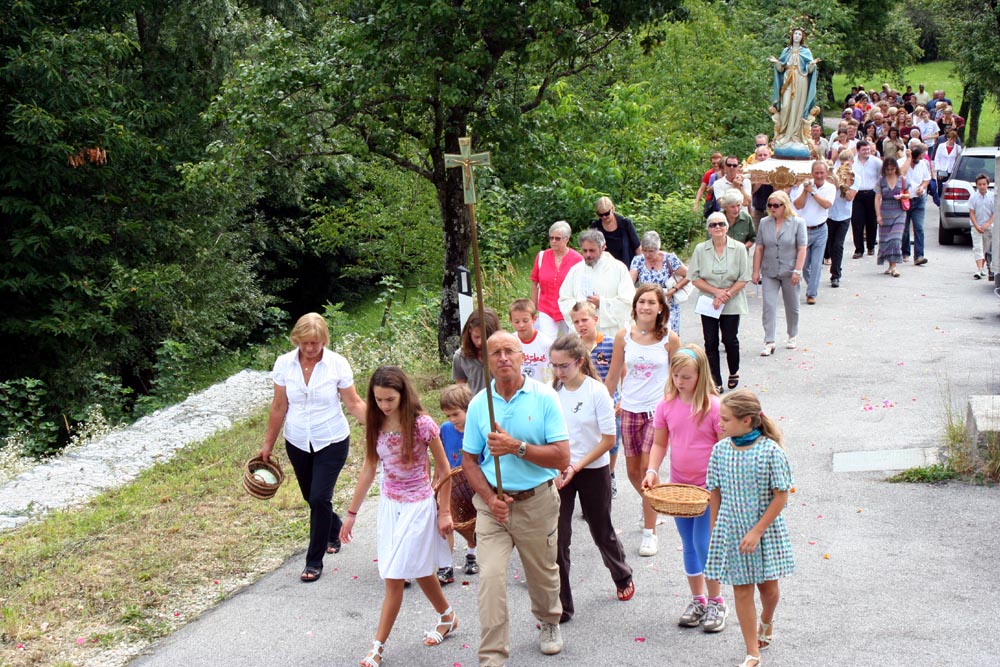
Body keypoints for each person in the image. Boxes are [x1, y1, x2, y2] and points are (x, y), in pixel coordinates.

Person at [461, 331, 570, 665]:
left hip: (536, 502)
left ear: (523, 356)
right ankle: (492, 655)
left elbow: (562, 457)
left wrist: (516, 447)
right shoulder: (479, 404)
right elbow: (469, 460)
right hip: (493, 507)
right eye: (495, 353)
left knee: (542, 574)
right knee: (490, 578)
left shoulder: (544, 397)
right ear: (486, 361)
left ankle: (549, 621)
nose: (504, 358)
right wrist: (488, 497)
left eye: (510, 351)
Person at [340, 366, 456, 667]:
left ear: (403, 395)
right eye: (378, 399)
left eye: (390, 399)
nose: (384, 405)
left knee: (394, 577)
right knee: (419, 569)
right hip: (390, 505)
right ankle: (447, 616)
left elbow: (444, 469)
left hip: (418, 505)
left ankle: (377, 648)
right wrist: (351, 514)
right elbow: (369, 468)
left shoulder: (422, 424)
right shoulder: (375, 422)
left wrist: (444, 511)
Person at [259, 312, 367, 583]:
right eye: (304, 342)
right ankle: (334, 527)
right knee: (311, 497)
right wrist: (268, 445)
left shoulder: (337, 364)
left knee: (320, 497)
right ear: (296, 339)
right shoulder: (284, 364)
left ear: (324, 340)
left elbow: (353, 403)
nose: (309, 348)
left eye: (315, 343)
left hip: (331, 439)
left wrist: (383, 426)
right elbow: (279, 406)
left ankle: (314, 560)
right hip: (297, 441)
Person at [705, 389, 795, 667]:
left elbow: (781, 495)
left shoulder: (770, 451)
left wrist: (757, 531)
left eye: (726, 419)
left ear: (747, 421)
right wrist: (715, 529)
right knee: (741, 590)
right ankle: (752, 651)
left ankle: (766, 619)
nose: (720, 424)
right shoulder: (720, 450)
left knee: (768, 590)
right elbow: (715, 492)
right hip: (731, 529)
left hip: (764, 531)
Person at [642, 346, 729, 633]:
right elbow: (659, 443)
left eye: (687, 377)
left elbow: (724, 447)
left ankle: (717, 601)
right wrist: (652, 470)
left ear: (701, 375)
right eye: (676, 375)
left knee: (704, 544)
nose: (680, 381)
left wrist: (721, 485)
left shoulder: (713, 407)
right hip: (680, 488)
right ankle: (698, 599)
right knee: (689, 543)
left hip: (708, 489)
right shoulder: (666, 406)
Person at [550, 333, 634, 622]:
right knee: (558, 537)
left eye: (564, 365)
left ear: (579, 362)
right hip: (561, 470)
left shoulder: (597, 392)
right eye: (554, 366)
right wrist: (558, 466)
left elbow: (608, 439)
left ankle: (621, 574)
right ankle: (561, 604)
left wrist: (577, 465)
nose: (559, 371)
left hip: (593, 468)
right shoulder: (552, 392)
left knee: (601, 528)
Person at [604, 284, 680, 557]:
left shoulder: (670, 339)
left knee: (649, 470)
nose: (646, 307)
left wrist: (679, 406)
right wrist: (602, 404)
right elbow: (613, 374)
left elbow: (678, 376)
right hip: (629, 409)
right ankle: (650, 504)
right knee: (633, 473)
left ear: (660, 308)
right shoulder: (624, 336)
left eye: (651, 302)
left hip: (656, 412)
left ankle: (650, 533)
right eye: (641, 302)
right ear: (635, 306)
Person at [688, 212, 751, 392]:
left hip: (732, 299)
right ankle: (715, 379)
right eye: (713, 225)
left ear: (727, 227)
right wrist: (716, 292)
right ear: (708, 229)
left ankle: (734, 371)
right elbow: (694, 277)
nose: (717, 227)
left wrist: (725, 295)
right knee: (710, 341)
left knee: (730, 339)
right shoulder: (701, 249)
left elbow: (744, 277)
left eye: (721, 224)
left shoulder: (739, 248)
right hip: (708, 300)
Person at [570, 301, 622, 498]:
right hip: (584, 402)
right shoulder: (573, 347)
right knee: (589, 440)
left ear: (595, 319)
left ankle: (610, 474)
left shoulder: (610, 343)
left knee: (612, 441)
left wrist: (623, 399)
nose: (581, 325)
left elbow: (623, 372)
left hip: (610, 401)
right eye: (576, 322)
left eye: (585, 320)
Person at [752, 191, 807, 356]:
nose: (772, 208)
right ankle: (769, 341)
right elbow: (759, 247)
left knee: (792, 305)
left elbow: (802, 248)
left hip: (790, 270)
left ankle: (792, 334)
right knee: (768, 305)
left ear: (785, 206)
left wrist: (798, 270)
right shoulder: (764, 223)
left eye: (776, 205)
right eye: (770, 205)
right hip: (770, 270)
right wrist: (755, 271)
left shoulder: (797, 222)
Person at [558, 229, 636, 339]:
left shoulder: (618, 269)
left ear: (603, 247)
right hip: (582, 335)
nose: (588, 255)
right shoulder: (575, 270)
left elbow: (628, 303)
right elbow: (564, 299)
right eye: (584, 251)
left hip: (610, 334)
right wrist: (581, 308)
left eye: (592, 250)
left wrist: (601, 303)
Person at [438, 384, 478, 583]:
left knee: (472, 521)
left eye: (456, 414)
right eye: (448, 416)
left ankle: (472, 554)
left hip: (474, 483)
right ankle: (446, 565)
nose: (452, 420)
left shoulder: (477, 427)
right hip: (452, 484)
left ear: (468, 409)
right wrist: (436, 481)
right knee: (448, 522)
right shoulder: (445, 430)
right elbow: (441, 458)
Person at [768, 27, 820, 155]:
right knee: (785, 105)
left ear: (802, 37)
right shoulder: (786, 50)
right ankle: (784, 133)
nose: (797, 36)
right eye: (795, 34)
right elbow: (781, 68)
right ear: (792, 36)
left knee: (798, 106)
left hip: (801, 79)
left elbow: (809, 70)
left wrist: (812, 65)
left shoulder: (806, 51)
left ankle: (796, 135)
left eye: (799, 34)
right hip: (788, 79)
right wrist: (777, 63)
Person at [629, 230, 690, 335]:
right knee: (647, 336)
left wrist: (673, 290)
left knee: (668, 336)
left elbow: (689, 275)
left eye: (651, 251)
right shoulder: (638, 260)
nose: (647, 254)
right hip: (647, 306)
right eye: (644, 250)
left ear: (658, 248)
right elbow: (629, 283)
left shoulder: (669, 259)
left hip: (668, 304)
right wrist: (638, 292)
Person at [791, 161, 835, 305]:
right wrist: (805, 190)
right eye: (816, 173)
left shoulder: (830, 187)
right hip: (804, 229)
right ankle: (812, 284)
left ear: (826, 173)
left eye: (822, 173)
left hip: (820, 229)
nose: (819, 176)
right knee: (804, 265)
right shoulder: (805, 186)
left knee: (816, 263)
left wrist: (813, 192)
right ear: (812, 173)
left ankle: (811, 293)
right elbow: (798, 205)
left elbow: (826, 205)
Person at [530, 220, 583, 339]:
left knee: (571, 342)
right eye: (551, 238)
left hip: (569, 308)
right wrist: (532, 309)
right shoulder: (542, 256)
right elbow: (534, 284)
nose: (553, 241)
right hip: (546, 307)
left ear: (566, 239)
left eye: (557, 238)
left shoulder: (577, 260)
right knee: (547, 342)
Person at [451, 308, 502, 396]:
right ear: (470, 331)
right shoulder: (460, 356)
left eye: (485, 338)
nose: (480, 342)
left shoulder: (503, 354)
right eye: (476, 337)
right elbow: (460, 388)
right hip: (475, 401)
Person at [827, 151, 859, 288]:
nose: (845, 165)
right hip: (830, 213)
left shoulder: (856, 177)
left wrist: (844, 185)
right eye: (842, 162)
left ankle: (835, 274)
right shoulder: (834, 174)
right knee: (830, 243)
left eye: (848, 162)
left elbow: (849, 197)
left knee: (838, 245)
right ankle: (833, 265)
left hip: (844, 215)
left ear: (852, 162)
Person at [875, 157, 908, 278]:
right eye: (888, 169)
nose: (890, 172)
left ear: (896, 168)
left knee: (895, 238)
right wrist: (878, 215)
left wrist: (902, 196)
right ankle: (890, 265)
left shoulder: (902, 179)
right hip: (885, 212)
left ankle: (894, 267)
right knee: (886, 240)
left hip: (899, 212)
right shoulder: (881, 181)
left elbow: (909, 194)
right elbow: (877, 198)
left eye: (892, 169)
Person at [900, 142, 932, 265]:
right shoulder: (902, 162)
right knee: (904, 228)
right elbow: (901, 174)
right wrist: (908, 160)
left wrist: (922, 187)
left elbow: (926, 179)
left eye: (919, 158)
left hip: (918, 199)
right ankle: (905, 251)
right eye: (916, 158)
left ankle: (919, 255)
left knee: (919, 227)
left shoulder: (923, 163)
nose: (918, 160)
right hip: (905, 199)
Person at [508, 298, 553, 384]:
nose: (521, 325)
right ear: (511, 321)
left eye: (525, 321)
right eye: (517, 322)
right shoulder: (509, 342)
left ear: (534, 319)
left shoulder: (546, 343)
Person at [851, 141, 883, 258]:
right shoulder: (853, 162)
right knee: (857, 221)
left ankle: (871, 246)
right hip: (857, 194)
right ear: (858, 150)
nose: (867, 152)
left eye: (868, 149)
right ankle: (859, 249)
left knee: (872, 221)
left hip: (872, 193)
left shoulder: (876, 162)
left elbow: (882, 176)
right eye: (864, 150)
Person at [590, 196, 640, 265]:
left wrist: (639, 265)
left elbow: (637, 247)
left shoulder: (625, 223)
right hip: (605, 266)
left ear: (612, 209)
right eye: (600, 215)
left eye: (607, 213)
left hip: (626, 265)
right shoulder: (595, 227)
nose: (604, 217)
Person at [969, 173, 996, 280]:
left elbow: (995, 213)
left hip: (988, 228)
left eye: (984, 184)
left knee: (985, 248)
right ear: (976, 185)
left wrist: (988, 223)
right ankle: (979, 270)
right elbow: (972, 213)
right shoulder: (973, 197)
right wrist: (976, 226)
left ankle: (982, 267)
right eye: (980, 184)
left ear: (987, 185)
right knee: (978, 248)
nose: (982, 186)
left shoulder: (992, 197)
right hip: (976, 227)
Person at [749, 146, 774, 229]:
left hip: (774, 210)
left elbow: (779, 191)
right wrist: (759, 179)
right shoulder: (752, 171)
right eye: (760, 155)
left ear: (770, 156)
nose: (763, 157)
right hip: (758, 210)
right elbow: (751, 192)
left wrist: (770, 178)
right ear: (756, 157)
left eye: (765, 155)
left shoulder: (776, 170)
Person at [694, 152, 725, 216]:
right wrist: (696, 204)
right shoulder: (709, 174)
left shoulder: (727, 172)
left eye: (718, 163)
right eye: (714, 163)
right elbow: (702, 189)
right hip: (712, 202)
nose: (716, 165)